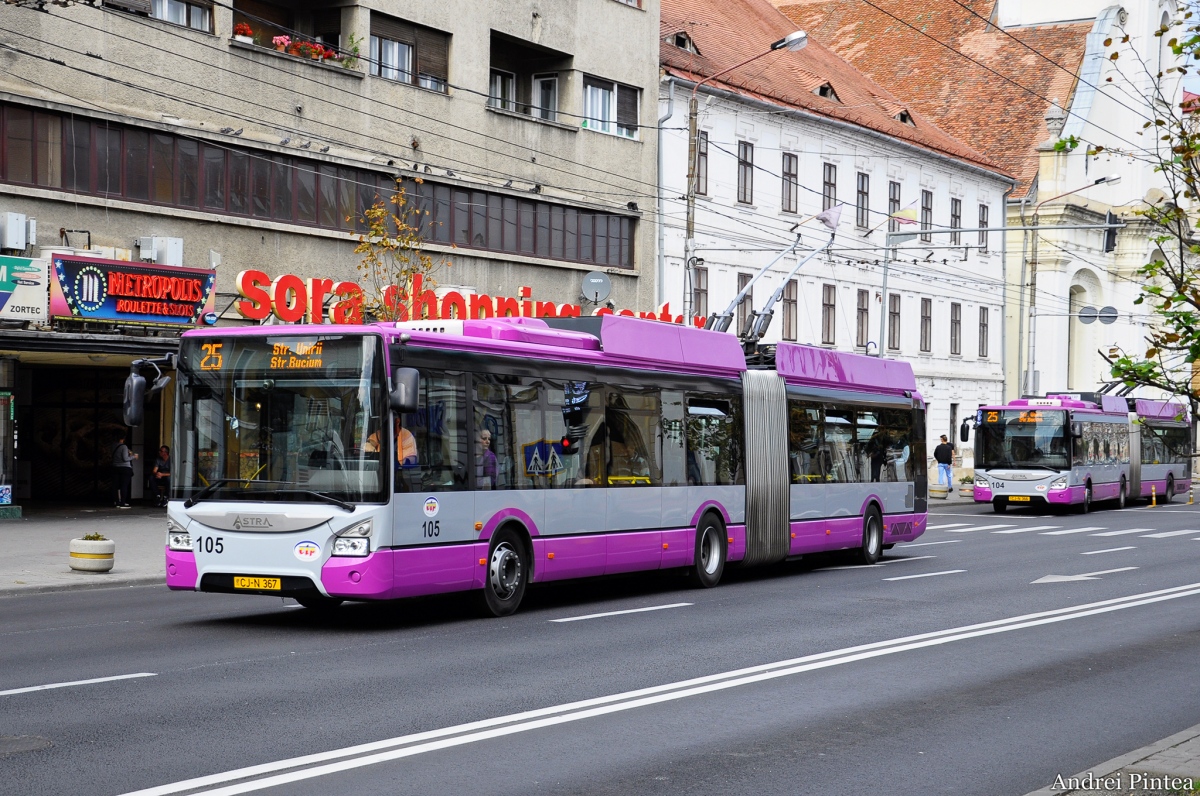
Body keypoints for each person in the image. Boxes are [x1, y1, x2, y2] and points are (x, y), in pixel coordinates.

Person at [112, 431, 137, 508]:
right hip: (125, 468)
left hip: (115, 467)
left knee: (116, 485)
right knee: (124, 485)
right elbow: (125, 458)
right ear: (123, 438)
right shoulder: (124, 447)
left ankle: (116, 501)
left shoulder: (113, 446)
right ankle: (123, 502)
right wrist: (134, 456)